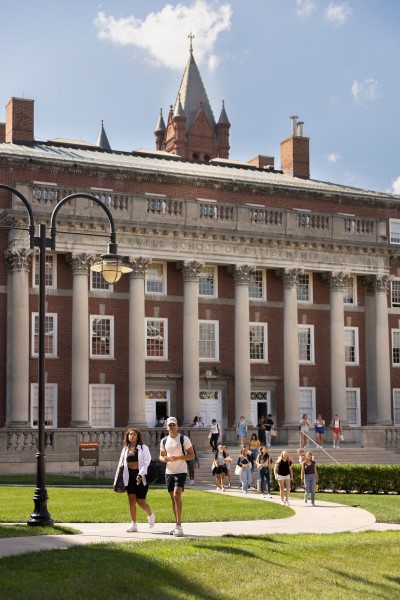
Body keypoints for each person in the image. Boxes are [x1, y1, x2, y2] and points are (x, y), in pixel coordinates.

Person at [114, 427, 156, 533]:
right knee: (131, 500)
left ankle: (151, 515)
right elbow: (121, 465)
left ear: (137, 437)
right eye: (130, 434)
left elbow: (147, 462)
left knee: (140, 501)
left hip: (142, 476)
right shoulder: (125, 449)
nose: (132, 436)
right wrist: (117, 480)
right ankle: (133, 524)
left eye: (134, 434)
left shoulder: (143, 448)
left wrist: (140, 474)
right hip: (129, 477)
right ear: (128, 436)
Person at [159, 416, 194, 537]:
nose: (172, 427)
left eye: (173, 424)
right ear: (167, 427)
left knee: (176, 495)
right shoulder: (164, 440)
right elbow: (161, 456)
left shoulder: (184, 439)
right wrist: (164, 459)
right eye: (170, 425)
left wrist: (178, 458)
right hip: (169, 471)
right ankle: (176, 525)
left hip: (181, 470)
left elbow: (191, 455)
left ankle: (179, 525)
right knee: (173, 499)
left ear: (177, 426)